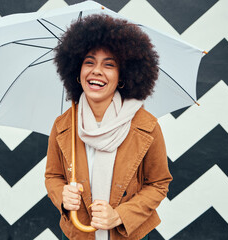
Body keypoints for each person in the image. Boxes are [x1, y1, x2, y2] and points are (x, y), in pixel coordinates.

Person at [45, 14, 172, 240]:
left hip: (130, 234)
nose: (96, 71)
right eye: (89, 62)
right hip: (77, 234)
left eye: (109, 64)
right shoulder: (63, 126)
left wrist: (120, 215)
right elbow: (53, 176)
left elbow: (158, 183)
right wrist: (62, 197)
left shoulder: (147, 126)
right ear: (77, 70)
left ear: (123, 76)